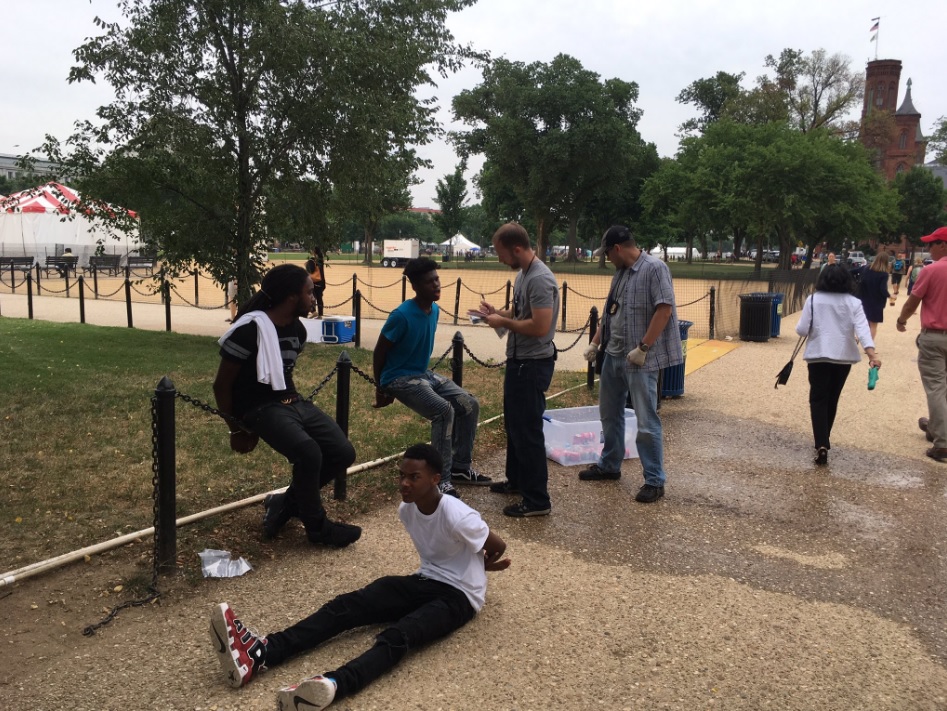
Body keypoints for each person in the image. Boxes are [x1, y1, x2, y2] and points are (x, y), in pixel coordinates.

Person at [209, 443, 510, 709]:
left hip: (459, 597)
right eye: (402, 476)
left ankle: (334, 685)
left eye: (414, 477)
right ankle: (261, 652)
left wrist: (477, 570)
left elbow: (497, 547)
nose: (404, 483)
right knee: (348, 605)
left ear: (435, 480)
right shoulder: (407, 510)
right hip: (425, 580)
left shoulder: (458, 514)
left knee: (400, 635)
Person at [213, 263, 360, 546]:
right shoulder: (249, 330)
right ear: (292, 297)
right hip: (258, 407)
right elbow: (221, 385)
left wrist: (291, 403)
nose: (314, 297)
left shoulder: (298, 331)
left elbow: (283, 375)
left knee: (342, 452)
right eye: (309, 292)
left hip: (291, 400)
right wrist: (236, 429)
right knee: (308, 453)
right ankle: (318, 528)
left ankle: (284, 504)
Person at [579, 225, 683, 503]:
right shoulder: (620, 273)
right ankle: (609, 465)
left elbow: (665, 309)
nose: (607, 259)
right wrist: (596, 342)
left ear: (617, 249)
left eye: (607, 254)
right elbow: (610, 312)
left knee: (647, 420)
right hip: (613, 355)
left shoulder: (655, 269)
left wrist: (644, 348)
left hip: (640, 361)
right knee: (609, 414)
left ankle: (654, 480)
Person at [373, 257, 489, 497]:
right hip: (398, 378)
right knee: (443, 411)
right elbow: (380, 351)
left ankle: (460, 468)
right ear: (415, 286)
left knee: (469, 404)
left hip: (422, 374)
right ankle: (442, 480)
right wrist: (381, 387)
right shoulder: (401, 315)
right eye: (429, 282)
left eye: (437, 279)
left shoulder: (434, 310)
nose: (436, 285)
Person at [479, 223, 559, 517]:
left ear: (516, 249)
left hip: (532, 364)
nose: (499, 259)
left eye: (500, 253)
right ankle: (517, 481)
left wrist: (503, 324)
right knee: (515, 426)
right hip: (519, 361)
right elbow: (521, 314)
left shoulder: (540, 279)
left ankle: (537, 500)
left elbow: (539, 326)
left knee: (527, 432)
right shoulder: (523, 274)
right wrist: (497, 313)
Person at [796, 264, 881, 466]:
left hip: (818, 356)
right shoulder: (854, 303)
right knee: (832, 398)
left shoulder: (814, 299)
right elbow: (863, 330)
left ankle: (821, 443)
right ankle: (825, 439)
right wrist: (872, 354)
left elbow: (801, 330)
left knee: (818, 398)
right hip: (843, 357)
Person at [896, 227, 947, 462]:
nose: (928, 248)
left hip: (935, 335)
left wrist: (901, 320)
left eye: (932, 243)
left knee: (936, 387)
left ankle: (942, 442)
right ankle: (938, 426)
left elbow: (912, 302)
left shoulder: (932, 270)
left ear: (943, 245)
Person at [855, 252, 890, 340]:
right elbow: (882, 289)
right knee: (873, 325)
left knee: (863, 322)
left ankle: (857, 337)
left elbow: (851, 271)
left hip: (863, 299)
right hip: (877, 302)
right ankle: (869, 345)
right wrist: (890, 296)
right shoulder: (884, 274)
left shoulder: (866, 268)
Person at [305, 247, 327, 318]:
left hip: (314, 281)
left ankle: (313, 311)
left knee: (311, 297)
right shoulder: (320, 260)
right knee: (319, 298)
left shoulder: (312, 260)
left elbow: (311, 270)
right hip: (321, 281)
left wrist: (307, 264)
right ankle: (320, 314)